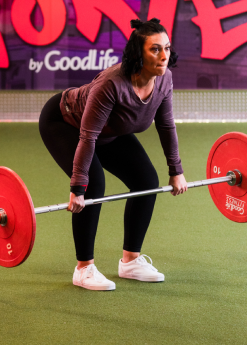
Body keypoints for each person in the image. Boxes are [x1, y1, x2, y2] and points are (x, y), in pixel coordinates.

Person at [38, 18, 188, 291]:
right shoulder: (111, 84)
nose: (164, 56)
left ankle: (130, 261)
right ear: (137, 54)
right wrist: (77, 187)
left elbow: (166, 125)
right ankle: (83, 268)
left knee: (146, 180)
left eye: (166, 48)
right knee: (93, 184)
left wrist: (175, 170)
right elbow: (88, 136)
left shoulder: (164, 79)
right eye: (155, 49)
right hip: (64, 123)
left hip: (112, 132)